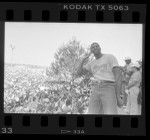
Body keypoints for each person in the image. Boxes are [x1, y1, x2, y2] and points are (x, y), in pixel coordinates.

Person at [76, 42, 123, 114]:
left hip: (108, 87)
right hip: (95, 88)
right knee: (92, 112)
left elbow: (118, 75)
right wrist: (82, 60)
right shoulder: (91, 63)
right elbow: (79, 73)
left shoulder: (110, 57)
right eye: (93, 47)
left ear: (100, 48)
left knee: (110, 113)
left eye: (97, 46)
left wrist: (118, 95)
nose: (95, 48)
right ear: (91, 51)